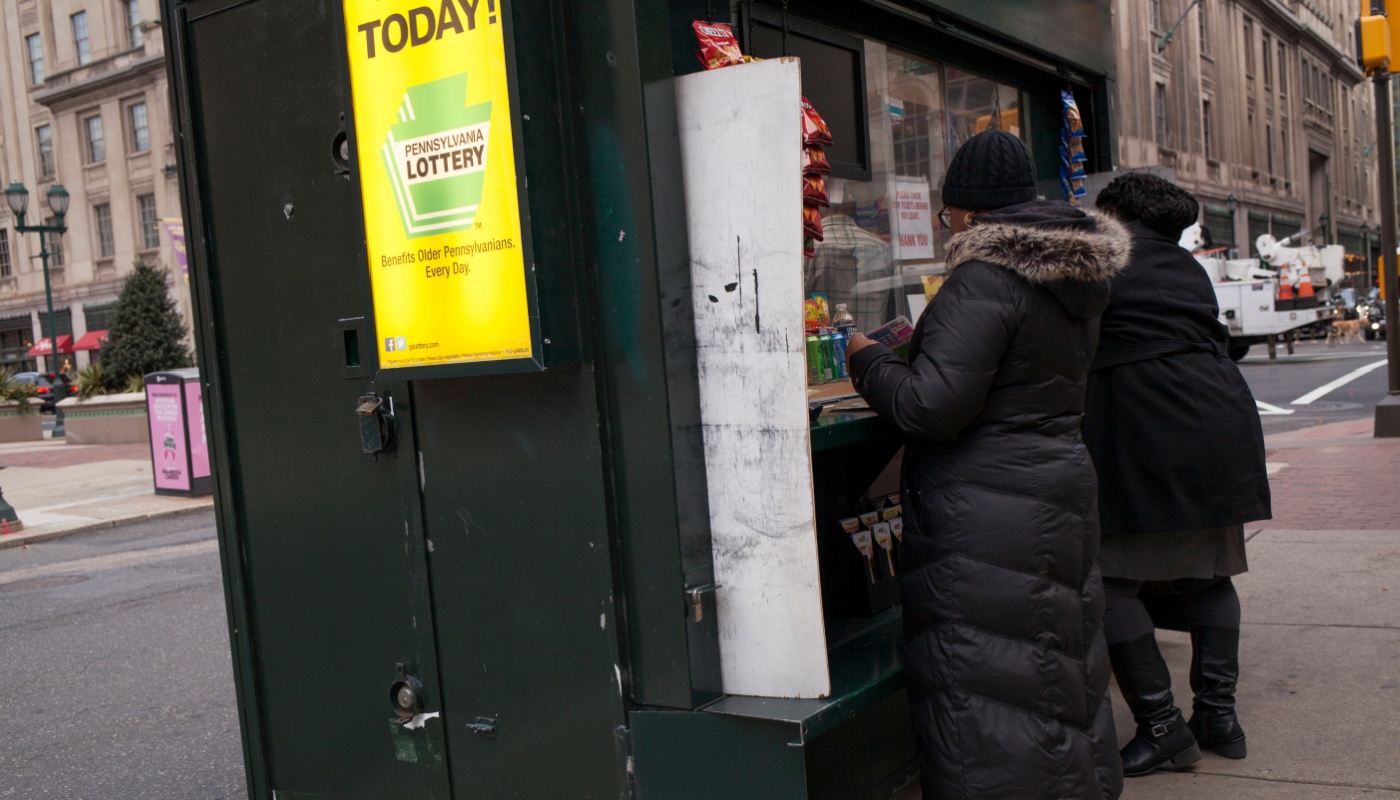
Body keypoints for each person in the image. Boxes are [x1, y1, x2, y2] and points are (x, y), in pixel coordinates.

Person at [845, 130, 1131, 800]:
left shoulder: (982, 280)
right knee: (1055, 662)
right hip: (1053, 488)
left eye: (950, 217)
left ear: (971, 215)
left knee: (989, 681)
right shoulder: (1073, 274)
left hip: (987, 510)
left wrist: (868, 358)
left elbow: (929, 408)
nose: (948, 229)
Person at [1082, 172, 1271, 777]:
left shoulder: (1103, 264)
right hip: (1220, 421)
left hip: (1146, 426)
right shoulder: (1188, 267)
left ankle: (1162, 726)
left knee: (1111, 580)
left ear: (1113, 212)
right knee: (1209, 576)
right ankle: (1218, 717)